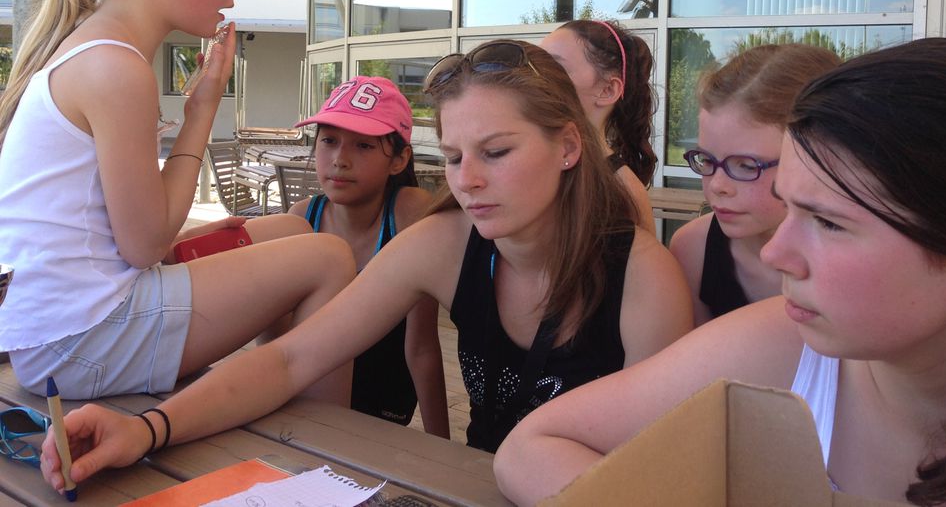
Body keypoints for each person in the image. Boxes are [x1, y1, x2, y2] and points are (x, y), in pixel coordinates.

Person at [39, 38, 693, 496]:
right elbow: (292, 359)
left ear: (570, 147)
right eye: (457, 155)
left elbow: (671, 469)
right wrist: (148, 429)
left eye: (495, 152)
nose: (467, 181)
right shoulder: (447, 242)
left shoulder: (642, 276)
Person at [494, 37, 946, 507]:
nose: (776, 254)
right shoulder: (784, 345)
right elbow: (530, 448)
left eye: (829, 223)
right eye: (789, 207)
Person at [0, 0, 354, 404]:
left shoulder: (93, 51)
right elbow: (145, 245)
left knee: (292, 231)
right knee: (330, 258)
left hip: (58, 331)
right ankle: (319, 451)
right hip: (79, 344)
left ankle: (274, 400)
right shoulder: (116, 69)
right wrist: (202, 113)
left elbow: (125, 237)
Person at [289, 76, 449, 437]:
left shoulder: (410, 214)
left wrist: (444, 446)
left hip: (382, 404)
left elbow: (421, 344)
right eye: (329, 141)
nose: (340, 160)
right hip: (307, 402)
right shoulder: (301, 219)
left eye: (363, 145)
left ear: (399, 159)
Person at [670, 44, 840, 325]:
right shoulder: (692, 249)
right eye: (706, 159)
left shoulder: (854, 263)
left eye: (747, 166)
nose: (718, 186)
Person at [540, 19, 657, 232]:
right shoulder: (532, 164)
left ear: (608, 90)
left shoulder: (625, 194)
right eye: (535, 66)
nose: (535, 78)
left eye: (554, 68)